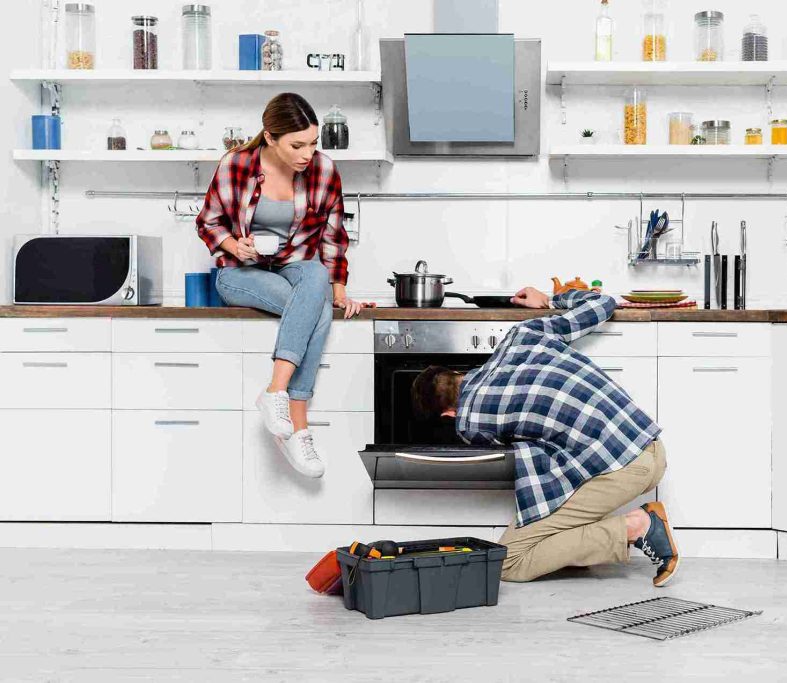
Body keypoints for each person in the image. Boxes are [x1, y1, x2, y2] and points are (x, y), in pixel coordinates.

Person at [411, 287, 679, 586]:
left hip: (622, 470)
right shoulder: (522, 335)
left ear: (448, 415)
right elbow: (603, 303)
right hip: (649, 444)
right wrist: (551, 300)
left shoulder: (470, 422)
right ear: (458, 372)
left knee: (509, 561)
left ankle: (637, 526)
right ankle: (590, 545)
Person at [196, 93, 367, 479]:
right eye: (297, 145)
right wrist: (232, 244)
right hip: (239, 271)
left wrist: (339, 288)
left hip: (294, 267)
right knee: (315, 308)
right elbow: (208, 221)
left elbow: (333, 236)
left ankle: (275, 392)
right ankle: (298, 426)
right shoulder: (236, 164)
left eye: (313, 143)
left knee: (317, 281)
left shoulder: (323, 170)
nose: (308, 153)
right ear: (270, 138)